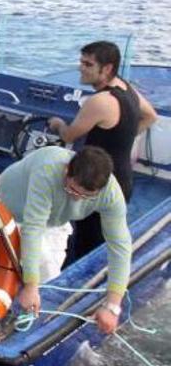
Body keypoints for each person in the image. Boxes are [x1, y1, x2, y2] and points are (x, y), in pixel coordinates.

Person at [0, 145, 131, 334]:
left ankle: (25, 328)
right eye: (74, 191)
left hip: (55, 221)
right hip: (7, 210)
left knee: (49, 282)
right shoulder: (48, 169)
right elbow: (33, 228)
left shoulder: (110, 193)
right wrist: (30, 286)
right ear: (67, 171)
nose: (78, 200)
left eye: (88, 197)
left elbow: (120, 246)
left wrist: (112, 306)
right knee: (9, 277)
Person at [47, 41, 157, 262]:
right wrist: (122, 137)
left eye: (88, 64)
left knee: (86, 241)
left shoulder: (98, 102)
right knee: (102, 236)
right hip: (123, 178)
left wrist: (57, 123)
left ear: (106, 69)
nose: (81, 68)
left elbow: (69, 135)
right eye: (81, 62)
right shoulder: (127, 89)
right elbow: (150, 116)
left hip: (97, 182)